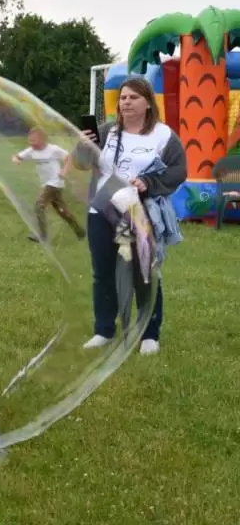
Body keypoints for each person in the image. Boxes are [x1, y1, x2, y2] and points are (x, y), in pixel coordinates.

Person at [69, 77, 186, 355]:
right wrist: (82, 146)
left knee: (144, 271)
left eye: (134, 97)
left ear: (148, 103)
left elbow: (178, 170)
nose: (126, 102)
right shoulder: (107, 131)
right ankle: (104, 330)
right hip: (101, 211)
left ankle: (149, 334)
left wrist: (148, 183)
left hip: (138, 212)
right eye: (123, 97)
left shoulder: (163, 136)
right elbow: (81, 163)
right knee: (103, 272)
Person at [12, 126, 86, 243]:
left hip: (54, 182)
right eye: (29, 140)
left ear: (43, 139)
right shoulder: (31, 151)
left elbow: (68, 157)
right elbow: (17, 156)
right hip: (47, 184)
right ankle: (80, 231)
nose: (31, 143)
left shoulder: (53, 149)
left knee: (39, 205)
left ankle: (42, 235)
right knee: (62, 211)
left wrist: (64, 171)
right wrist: (16, 159)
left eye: (34, 140)